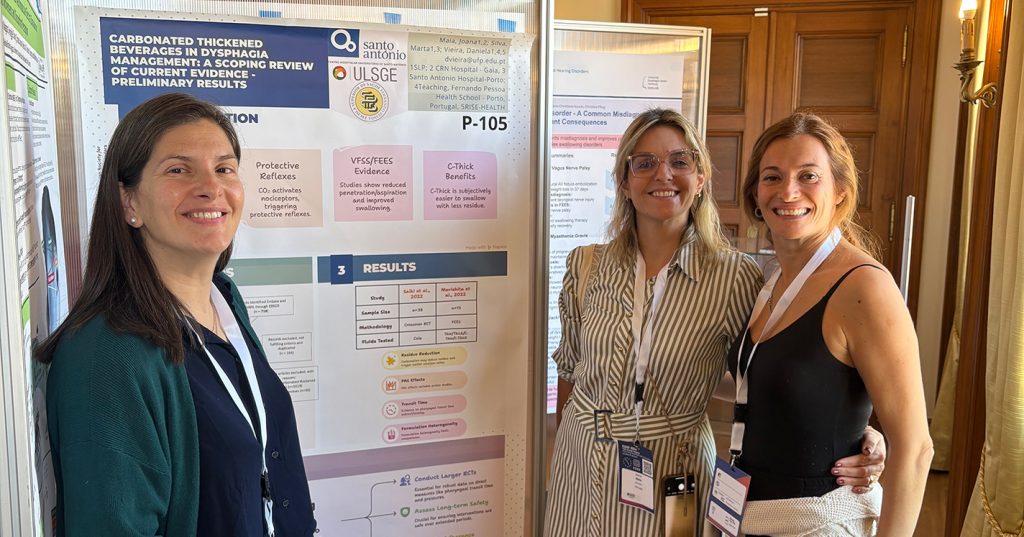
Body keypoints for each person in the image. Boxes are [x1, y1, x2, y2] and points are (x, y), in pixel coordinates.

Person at [544, 108, 884, 537]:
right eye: (644, 163)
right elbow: (570, 370)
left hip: (675, 466)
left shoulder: (733, 276)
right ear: (624, 183)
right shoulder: (586, 266)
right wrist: (566, 450)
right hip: (581, 462)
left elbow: (766, 371)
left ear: (700, 178)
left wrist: (860, 432)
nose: (663, 174)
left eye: (680, 161)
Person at [37, 93, 316, 536]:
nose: (211, 187)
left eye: (224, 168)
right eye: (178, 170)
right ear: (129, 203)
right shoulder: (106, 355)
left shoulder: (223, 299)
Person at [729, 112, 933, 536]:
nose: (788, 191)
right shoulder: (771, 282)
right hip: (753, 517)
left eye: (808, 176)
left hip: (818, 523)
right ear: (755, 195)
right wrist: (862, 431)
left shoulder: (864, 287)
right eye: (772, 177)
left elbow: (916, 449)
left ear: (840, 190)